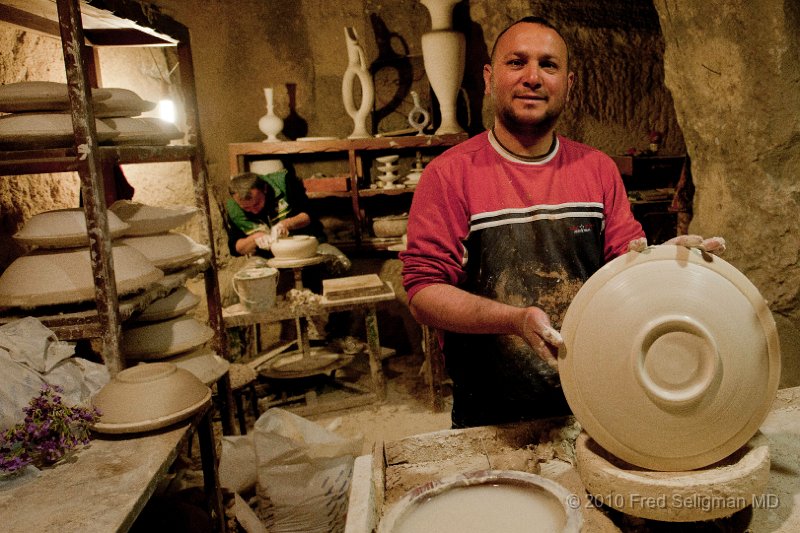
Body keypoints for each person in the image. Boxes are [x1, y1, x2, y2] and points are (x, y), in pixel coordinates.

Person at [400, 16, 724, 429]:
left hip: (597, 400)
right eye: (516, 62)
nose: (532, 77)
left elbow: (627, 263)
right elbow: (424, 293)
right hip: (491, 415)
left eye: (548, 65)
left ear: (569, 83)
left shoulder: (598, 170)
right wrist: (515, 320)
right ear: (489, 76)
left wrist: (666, 263)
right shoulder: (449, 175)